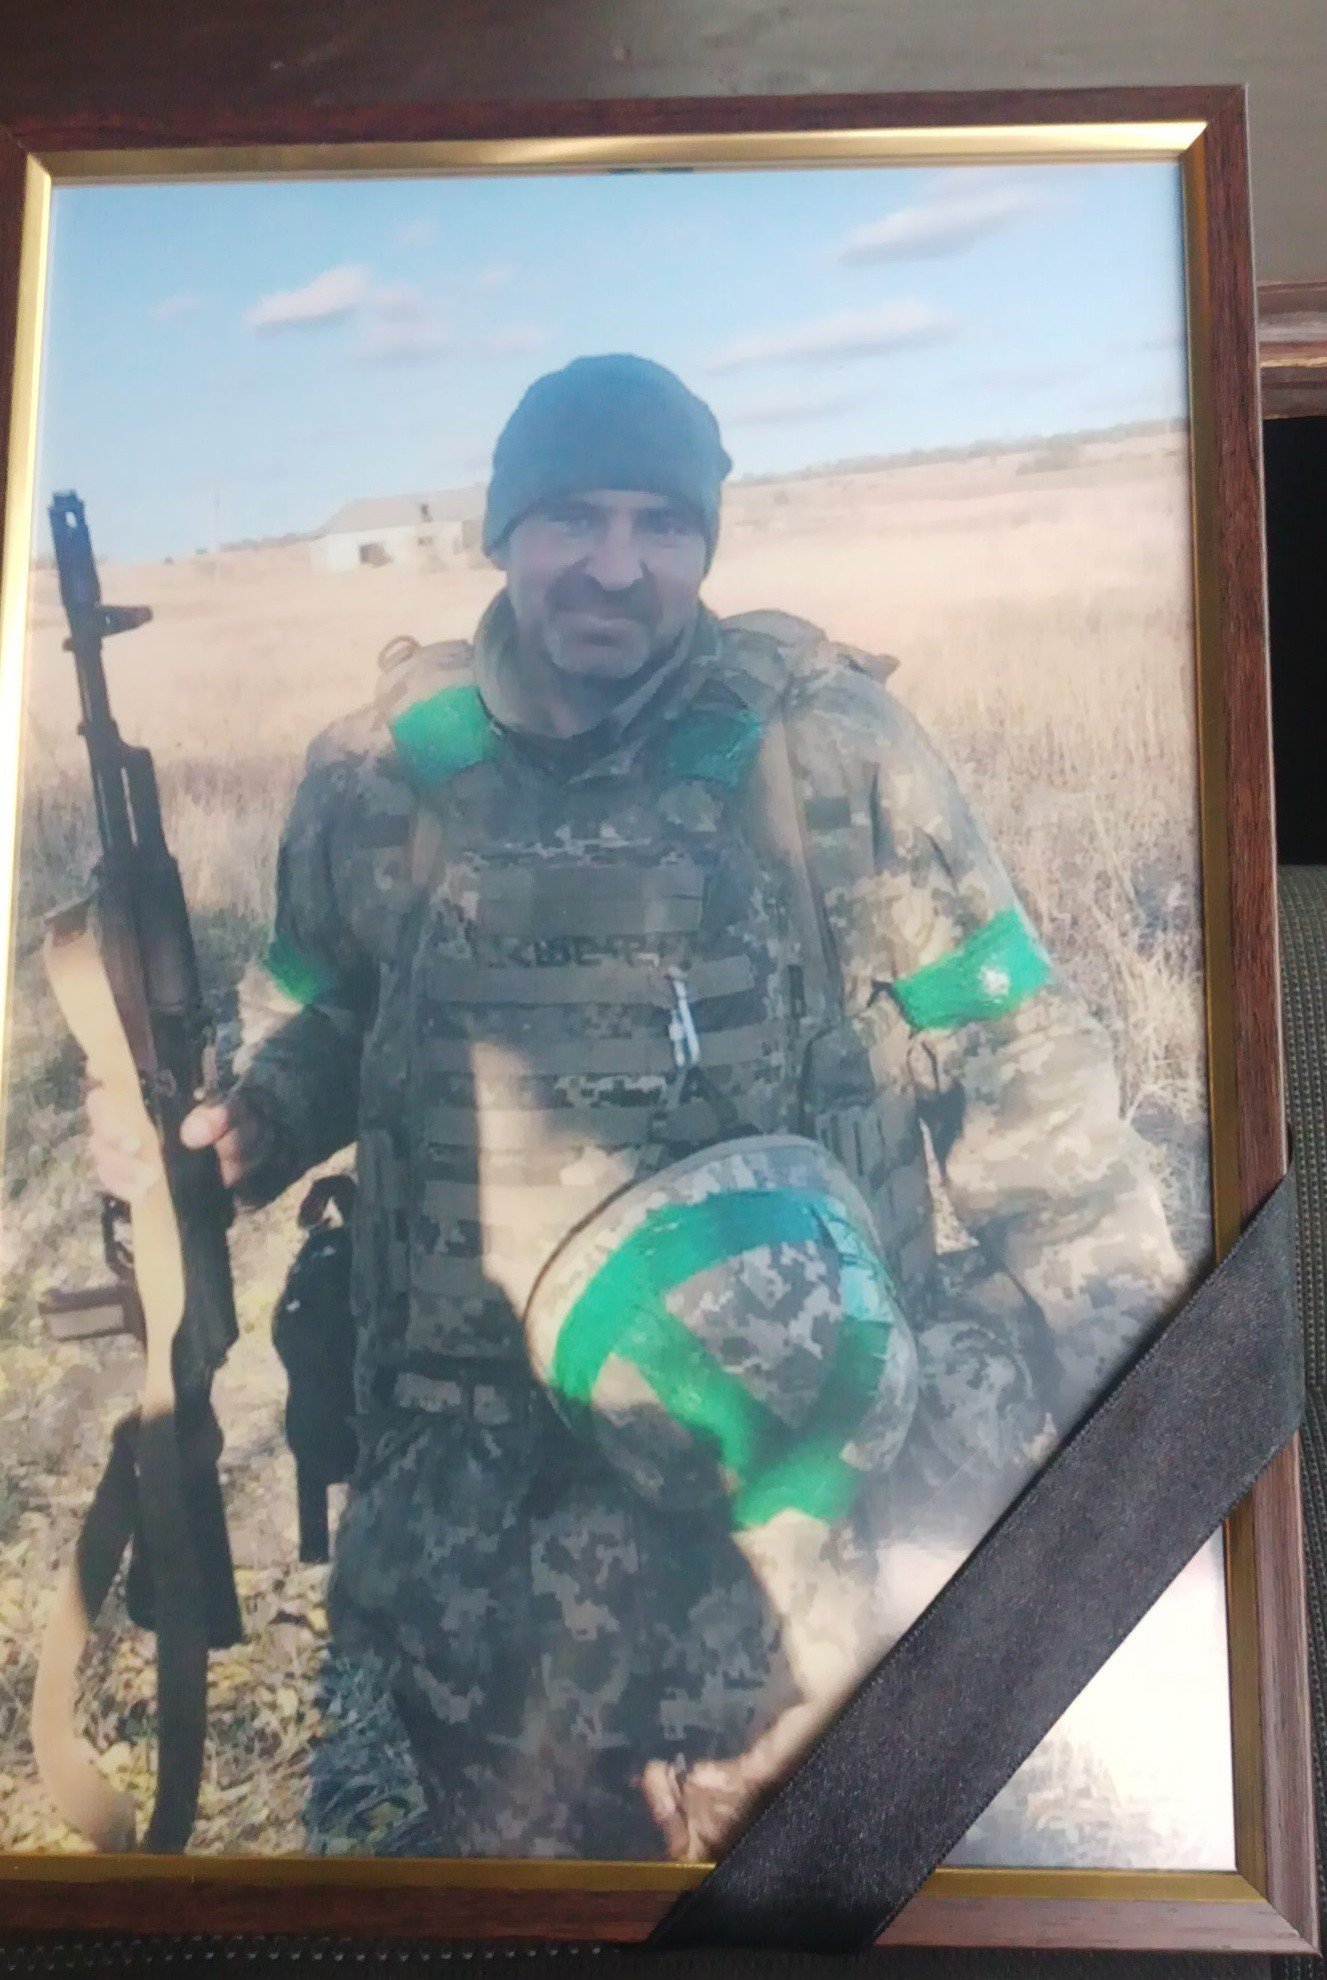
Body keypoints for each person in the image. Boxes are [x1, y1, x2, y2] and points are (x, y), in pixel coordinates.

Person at [89, 353, 1186, 1860]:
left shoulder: (830, 749)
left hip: (790, 1531)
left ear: (706, 543)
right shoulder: (372, 777)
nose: (618, 565)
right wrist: (256, 1117)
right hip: (481, 1546)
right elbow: (327, 1012)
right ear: (502, 532)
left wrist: (1149, 1401)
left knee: (812, 1889)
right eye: (574, 518)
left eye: (662, 524)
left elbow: (1025, 1076)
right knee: (530, 1895)